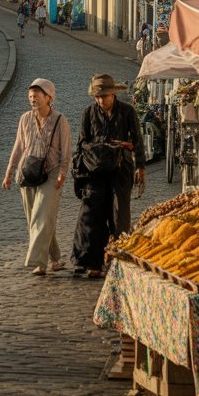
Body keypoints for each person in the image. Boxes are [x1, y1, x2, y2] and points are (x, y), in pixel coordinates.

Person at [71, 73, 145, 278]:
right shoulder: (88, 113)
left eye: (104, 96)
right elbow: (82, 142)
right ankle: (92, 262)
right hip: (96, 170)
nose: (100, 100)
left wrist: (141, 166)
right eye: (97, 96)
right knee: (93, 215)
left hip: (121, 170)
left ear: (113, 94)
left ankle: (117, 260)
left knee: (119, 215)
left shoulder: (127, 112)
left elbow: (137, 140)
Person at [2, 78, 72, 276]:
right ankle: (55, 258)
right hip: (27, 174)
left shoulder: (60, 120)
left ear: (49, 97)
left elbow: (66, 152)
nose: (32, 99)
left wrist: (62, 175)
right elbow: (18, 147)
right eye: (30, 96)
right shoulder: (25, 119)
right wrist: (9, 173)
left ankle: (38, 262)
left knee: (41, 216)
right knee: (38, 218)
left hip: (51, 174)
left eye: (37, 96)